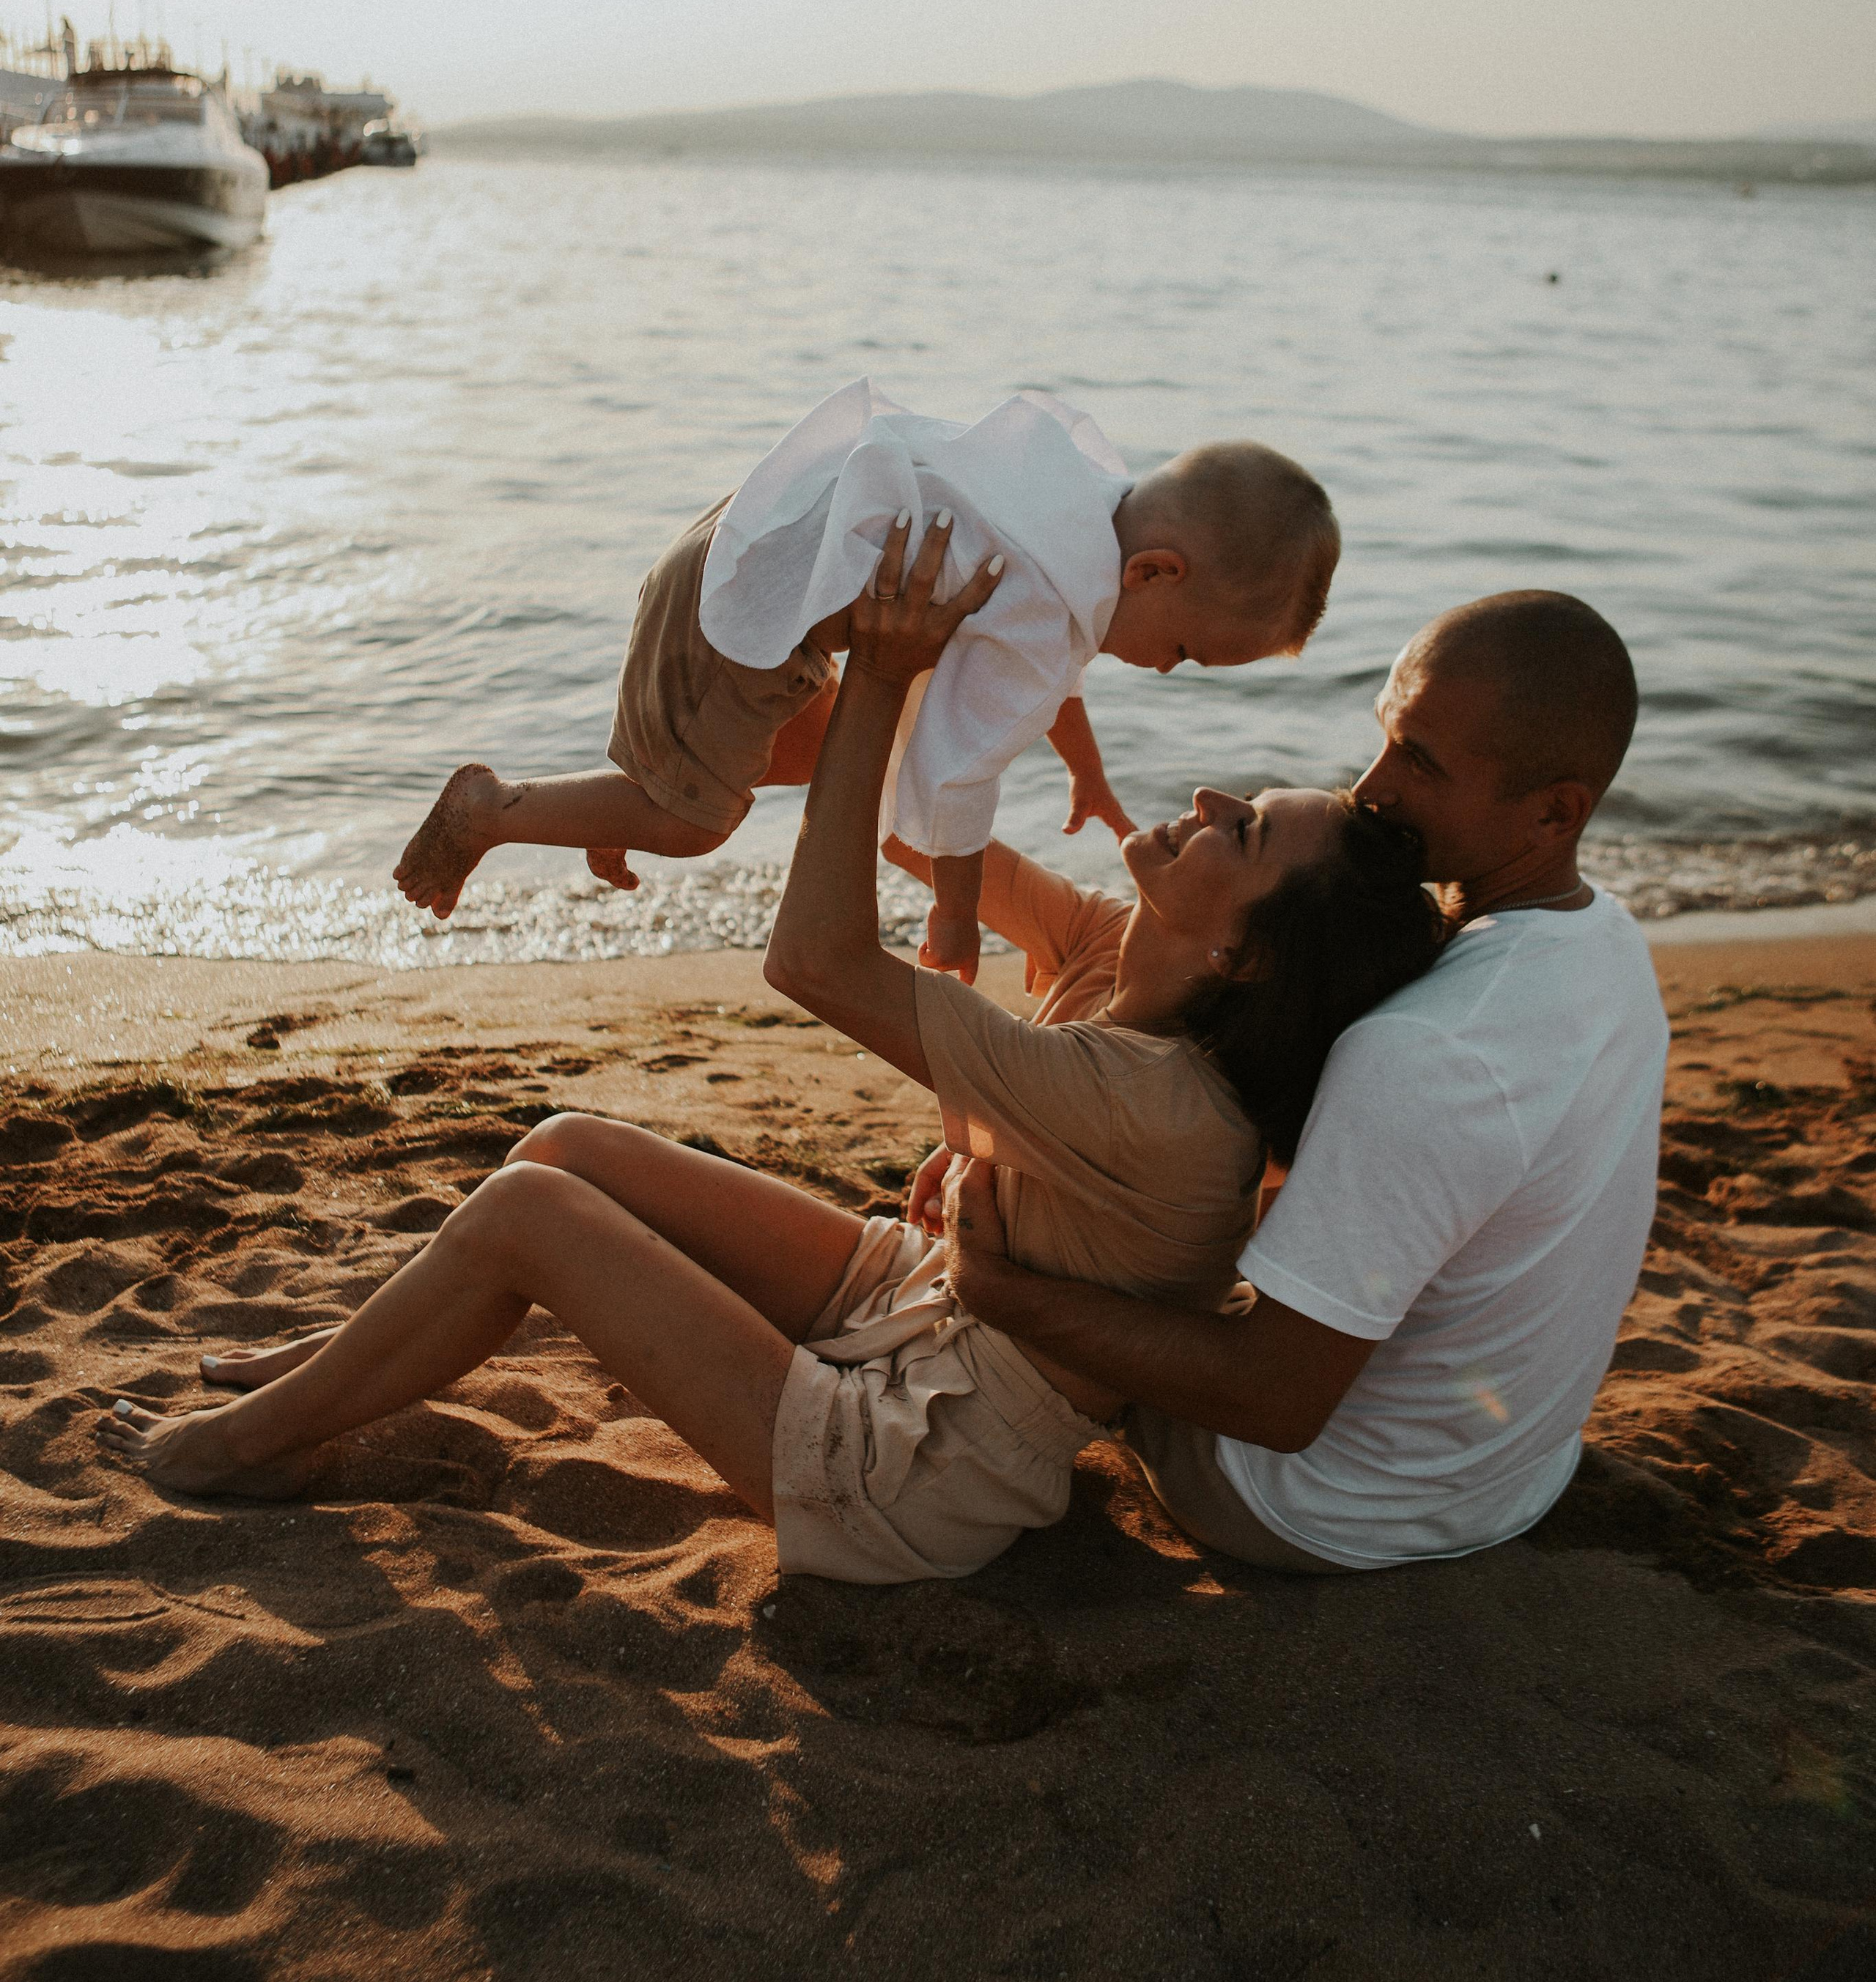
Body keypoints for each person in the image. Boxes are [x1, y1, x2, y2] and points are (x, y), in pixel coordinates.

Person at [101, 519, 1438, 1586]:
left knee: (531, 1216)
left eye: (1247, 830)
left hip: (911, 1469)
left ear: (1245, 956)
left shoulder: (1163, 1104)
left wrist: (886, 681)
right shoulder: (1114, 947)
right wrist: (731, 735)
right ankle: (335, 1366)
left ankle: (242, 1452)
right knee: (562, 1148)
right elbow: (901, 819)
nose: (1208, 800)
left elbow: (814, 961)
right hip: (923, 1303)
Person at [941, 590, 1670, 1575]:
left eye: (1420, 763)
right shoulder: (1605, 945)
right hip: (1506, 1474)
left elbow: (1274, 1406)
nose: (1370, 789)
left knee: (1082, 1219)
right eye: (1387, 738)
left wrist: (1001, 1289)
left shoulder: (1425, 1051)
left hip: (1316, 1505)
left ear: (1554, 811)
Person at [393, 377, 1340, 983]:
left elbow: (1049, 672)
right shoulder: (1051, 605)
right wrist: (957, 916)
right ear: (1156, 574)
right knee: (693, 824)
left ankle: (624, 800)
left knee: (823, 753)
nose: (1167, 670)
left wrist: (1086, 774)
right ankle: (497, 808)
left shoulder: (1081, 516)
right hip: (753, 608)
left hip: (754, 539)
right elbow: (962, 779)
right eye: (1184, 654)